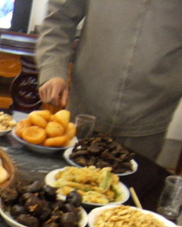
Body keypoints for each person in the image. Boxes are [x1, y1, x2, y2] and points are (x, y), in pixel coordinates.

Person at [35, 0, 182, 161]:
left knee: (138, 177)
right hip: (85, 113)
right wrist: (53, 69)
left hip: (150, 120)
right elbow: (59, 19)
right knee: (64, 175)